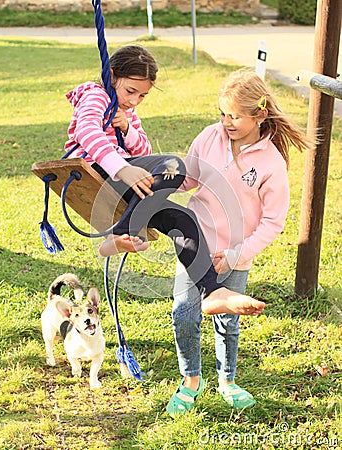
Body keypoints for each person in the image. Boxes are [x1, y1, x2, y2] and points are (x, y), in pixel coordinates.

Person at [64, 45, 266, 317]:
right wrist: (122, 168)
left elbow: (144, 152)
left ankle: (212, 291)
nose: (134, 101)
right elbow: (86, 131)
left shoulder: (126, 110)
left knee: (183, 219)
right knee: (174, 165)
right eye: (130, 91)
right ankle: (121, 231)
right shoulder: (96, 95)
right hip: (96, 170)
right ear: (112, 76)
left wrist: (127, 128)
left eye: (142, 95)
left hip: (126, 184)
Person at [166, 69, 314, 416]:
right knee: (183, 314)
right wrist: (162, 185)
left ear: (259, 115)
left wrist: (235, 255)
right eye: (222, 114)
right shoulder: (208, 137)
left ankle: (227, 380)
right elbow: (189, 179)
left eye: (234, 116)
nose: (226, 122)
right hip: (194, 246)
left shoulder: (271, 163)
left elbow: (273, 222)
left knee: (227, 321)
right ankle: (191, 380)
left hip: (235, 255)